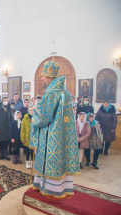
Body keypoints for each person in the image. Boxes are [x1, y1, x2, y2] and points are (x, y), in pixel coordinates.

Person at [30, 60, 80, 198]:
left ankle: (51, 189)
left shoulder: (52, 92)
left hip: (51, 134)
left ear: (49, 77)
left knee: (50, 157)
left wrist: (35, 110)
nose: (42, 78)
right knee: (61, 156)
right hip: (62, 133)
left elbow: (44, 116)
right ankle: (63, 187)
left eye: (43, 76)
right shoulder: (65, 91)